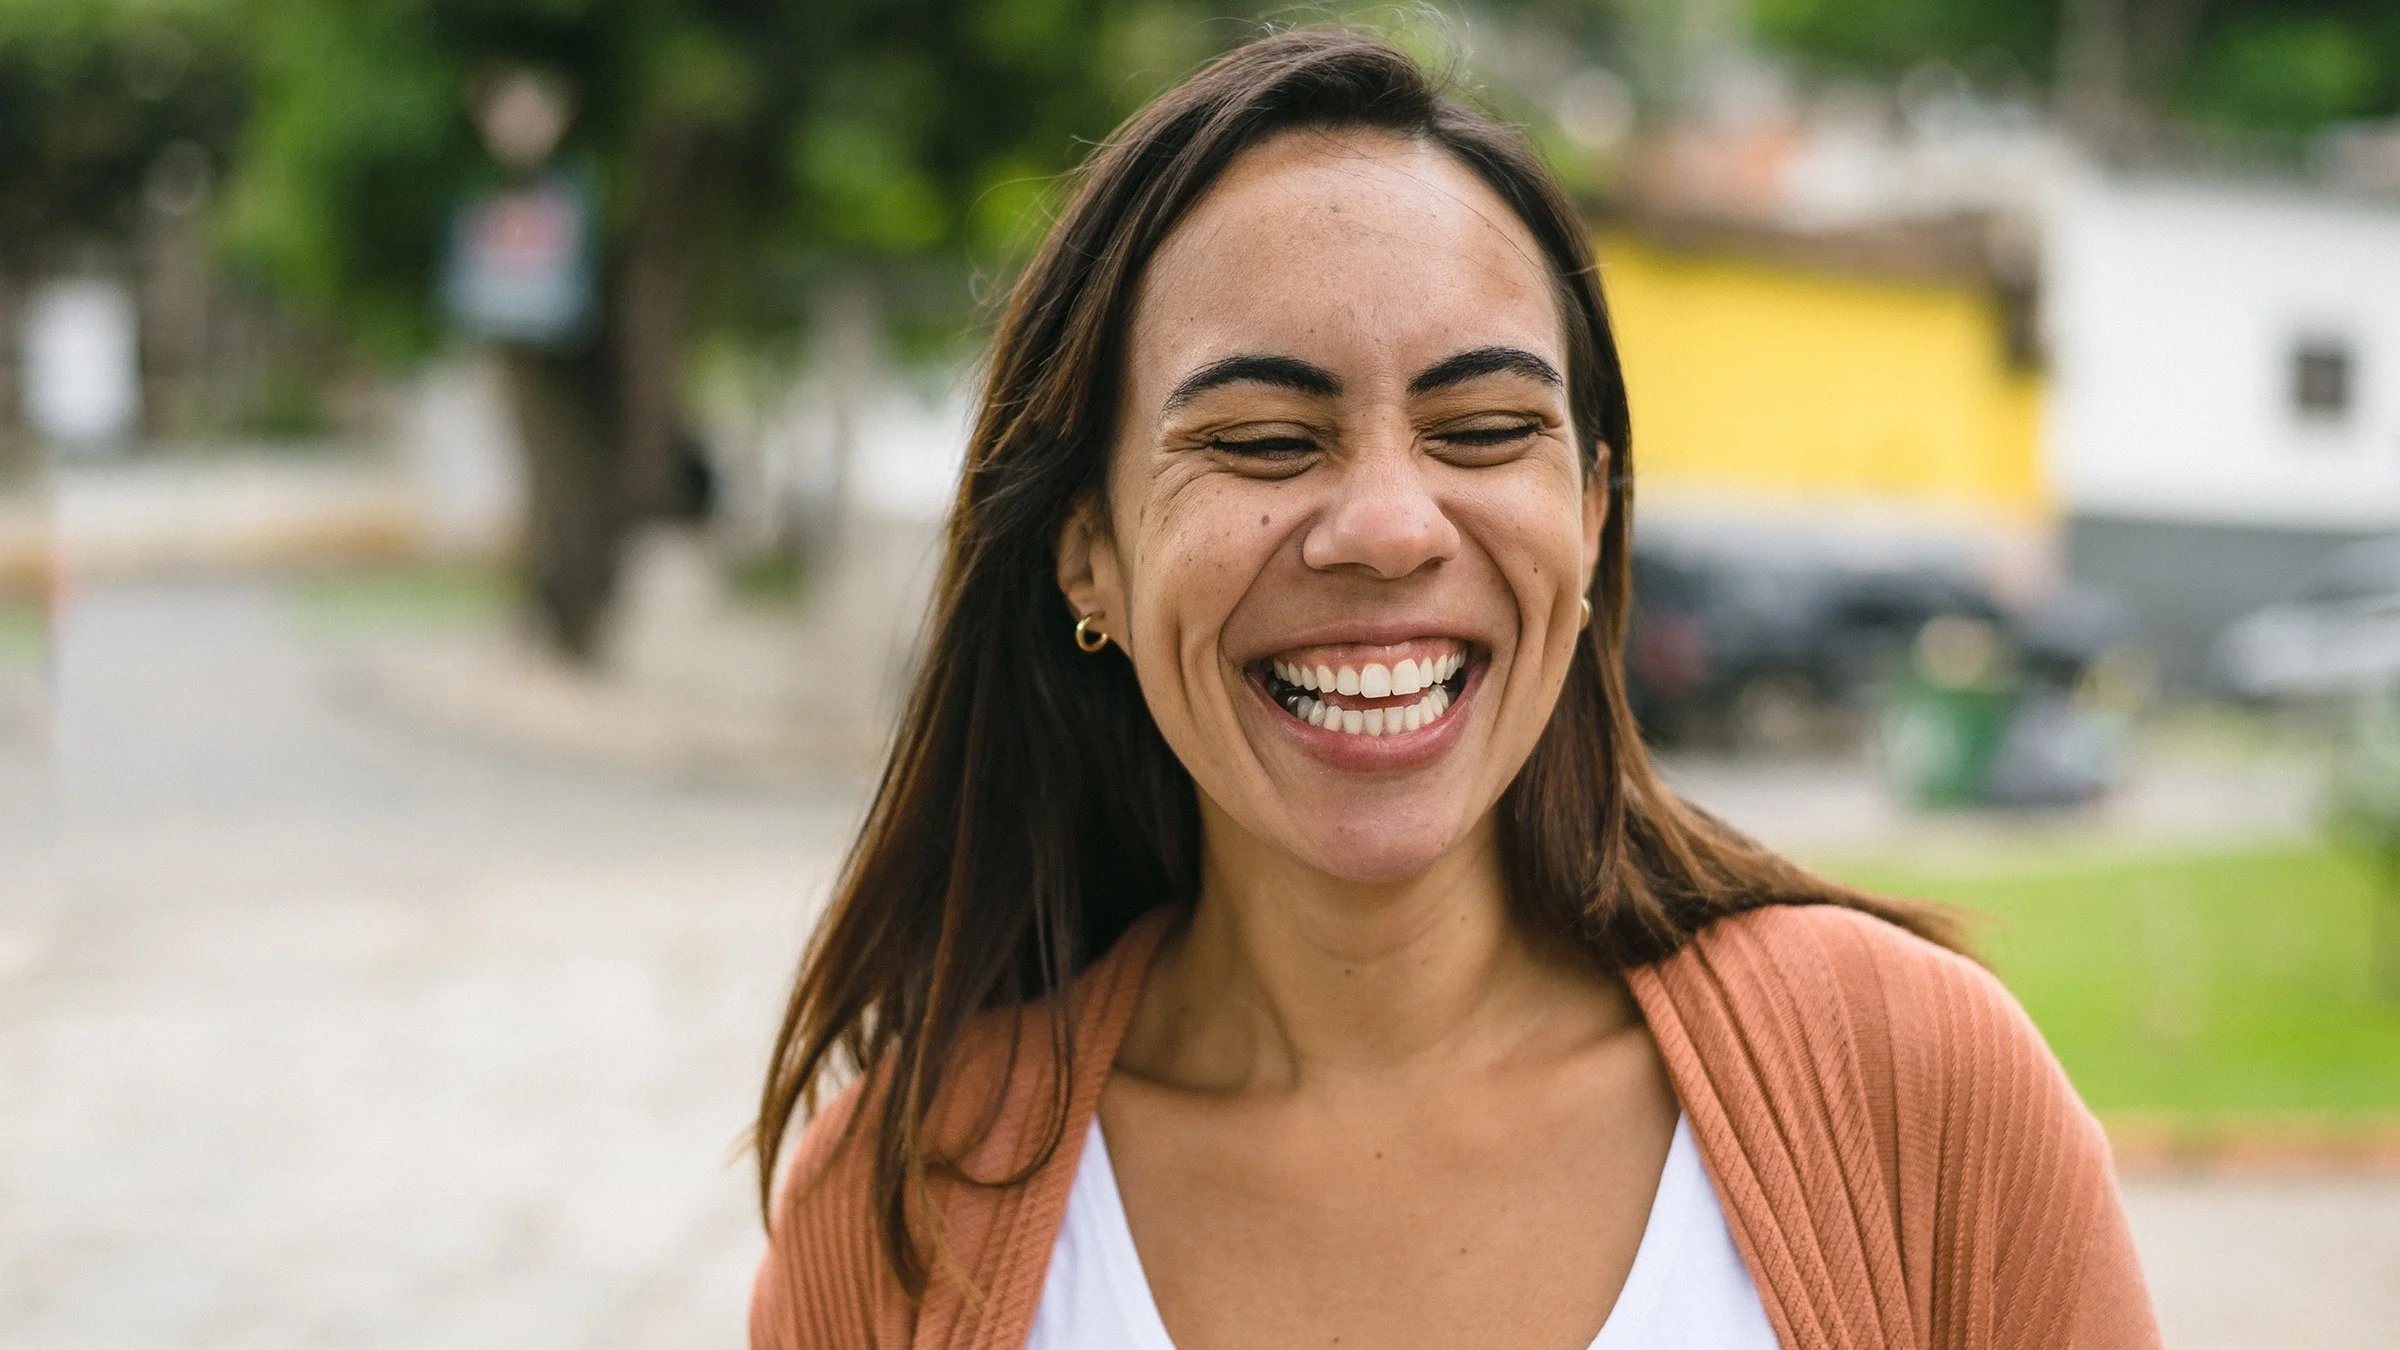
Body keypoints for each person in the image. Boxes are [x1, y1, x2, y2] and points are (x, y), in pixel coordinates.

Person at [750, 28, 2159, 1350]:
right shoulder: (891, 1214)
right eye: (1259, 439)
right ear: (1089, 556)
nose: (1389, 526)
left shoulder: (1920, 1094)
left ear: (1594, 513)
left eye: (1483, 428)